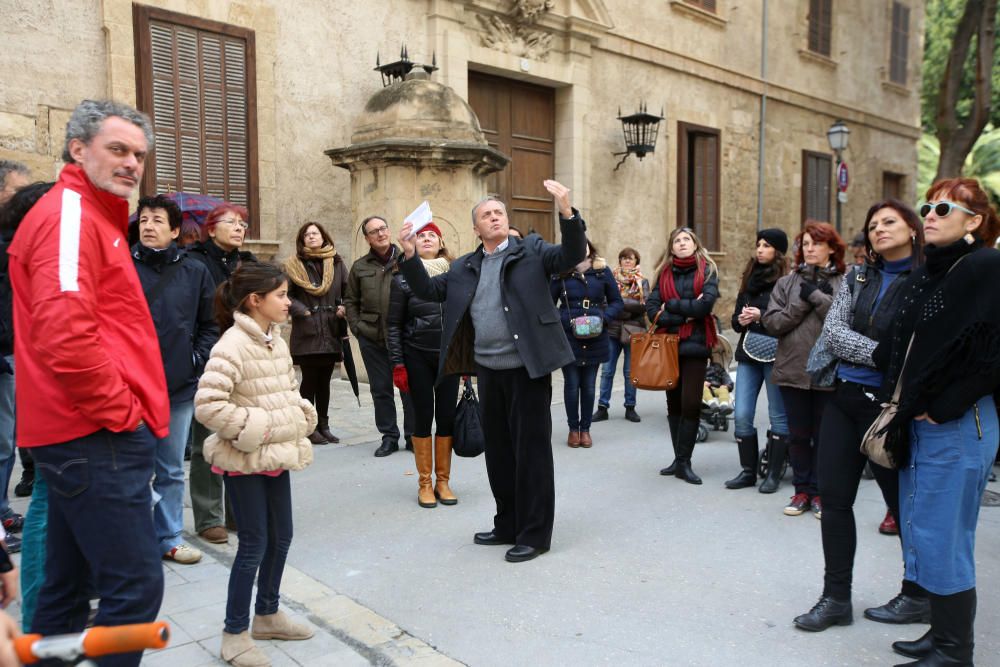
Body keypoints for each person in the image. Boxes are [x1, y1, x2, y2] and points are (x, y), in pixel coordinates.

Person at [6, 99, 170, 666]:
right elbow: (65, 331)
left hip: (81, 430)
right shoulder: (70, 213)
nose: (131, 164)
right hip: (93, 431)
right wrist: (120, 411)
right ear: (78, 149)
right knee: (135, 588)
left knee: (66, 587)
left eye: (139, 155)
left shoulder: (90, 215)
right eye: (118, 149)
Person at [397, 180, 586, 563]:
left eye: (499, 212)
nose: (494, 217)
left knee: (530, 453)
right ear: (476, 229)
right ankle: (507, 524)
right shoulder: (466, 266)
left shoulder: (531, 252)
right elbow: (428, 291)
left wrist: (566, 211)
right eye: (486, 214)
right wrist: (409, 254)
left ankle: (534, 534)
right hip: (487, 370)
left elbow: (571, 254)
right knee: (498, 453)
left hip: (527, 370)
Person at [873, 179, 1000, 665]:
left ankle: (954, 650)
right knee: (922, 527)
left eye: (943, 207)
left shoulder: (986, 266)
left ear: (974, 221)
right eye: (927, 205)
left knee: (945, 534)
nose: (929, 213)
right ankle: (940, 631)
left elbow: (993, 353)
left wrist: (945, 403)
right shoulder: (933, 272)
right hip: (919, 421)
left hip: (958, 421)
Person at [792, 200, 929, 632]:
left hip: (889, 407)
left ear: (912, 228)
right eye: (873, 225)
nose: (879, 230)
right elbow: (833, 332)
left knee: (901, 506)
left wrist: (888, 359)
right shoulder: (858, 276)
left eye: (890, 222)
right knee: (834, 501)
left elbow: (917, 343)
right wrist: (878, 353)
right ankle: (836, 599)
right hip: (844, 396)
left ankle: (917, 593)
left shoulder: (928, 279)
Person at [195, 263, 316, 666]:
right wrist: (255, 428)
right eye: (281, 295)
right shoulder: (231, 344)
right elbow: (208, 405)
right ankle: (234, 633)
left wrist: (300, 413)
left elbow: (286, 387)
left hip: (275, 455)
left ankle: (267, 614)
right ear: (255, 300)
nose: (288, 302)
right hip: (245, 459)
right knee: (253, 544)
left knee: (281, 538)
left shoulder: (275, 339)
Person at [132, 194, 219, 565]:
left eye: (156, 220)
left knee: (169, 469)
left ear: (175, 229)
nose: (148, 226)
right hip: (130, 388)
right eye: (143, 220)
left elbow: (209, 324)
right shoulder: (121, 265)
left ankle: (168, 537)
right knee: (131, 470)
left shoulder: (195, 270)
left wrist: (194, 361)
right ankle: (133, 541)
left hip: (178, 386)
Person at [762, 221, 845, 518]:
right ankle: (801, 492)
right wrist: (803, 299)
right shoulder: (787, 282)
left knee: (824, 437)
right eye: (805, 244)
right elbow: (772, 324)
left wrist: (818, 297)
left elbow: (843, 324)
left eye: (816, 243)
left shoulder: (845, 282)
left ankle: (820, 492)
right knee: (797, 436)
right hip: (793, 370)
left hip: (828, 372)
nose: (809, 249)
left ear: (832, 248)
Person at [187, 203, 258, 544]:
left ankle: (238, 512)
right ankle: (208, 516)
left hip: (246, 359)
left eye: (242, 223)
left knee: (243, 435)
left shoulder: (250, 264)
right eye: (230, 222)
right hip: (211, 357)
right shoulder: (195, 263)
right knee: (208, 439)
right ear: (211, 228)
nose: (239, 227)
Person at [387, 222, 460, 507]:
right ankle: (425, 483)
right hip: (416, 355)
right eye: (422, 236)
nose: (427, 239)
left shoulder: (455, 276)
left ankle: (443, 481)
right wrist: (398, 363)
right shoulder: (403, 279)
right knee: (422, 418)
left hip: (448, 357)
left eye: (432, 235)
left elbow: (464, 319)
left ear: (441, 243)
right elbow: (393, 324)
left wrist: (466, 360)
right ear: (413, 244)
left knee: (446, 417)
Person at [646, 227, 720, 485]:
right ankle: (679, 461)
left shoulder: (707, 270)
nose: (682, 243)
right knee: (673, 403)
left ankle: (684, 461)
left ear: (695, 244)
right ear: (671, 247)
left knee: (690, 403)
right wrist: (687, 312)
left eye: (686, 239)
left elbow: (705, 306)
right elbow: (653, 309)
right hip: (668, 345)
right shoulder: (663, 272)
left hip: (696, 345)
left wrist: (673, 306)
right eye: (677, 240)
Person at [344, 215, 415, 457]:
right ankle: (389, 436)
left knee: (409, 387)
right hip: (371, 338)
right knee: (380, 389)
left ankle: (413, 435)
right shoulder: (360, 266)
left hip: (405, 337)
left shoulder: (407, 259)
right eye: (374, 231)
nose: (380, 234)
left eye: (383, 228)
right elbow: (350, 300)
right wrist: (357, 327)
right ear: (367, 238)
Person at [726, 228, 790, 491]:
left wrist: (760, 316)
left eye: (766, 245)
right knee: (741, 414)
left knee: (778, 415)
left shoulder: (788, 281)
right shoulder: (749, 278)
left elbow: (791, 318)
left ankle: (773, 474)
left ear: (778, 250)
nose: (760, 249)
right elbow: (734, 320)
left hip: (778, 354)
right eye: (758, 244)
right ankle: (748, 471)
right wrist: (740, 321)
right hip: (749, 352)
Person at [551, 241, 623, 447]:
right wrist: (566, 320)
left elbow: (617, 301)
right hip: (569, 336)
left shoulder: (602, 271)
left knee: (590, 386)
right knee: (572, 385)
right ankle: (573, 429)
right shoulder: (561, 272)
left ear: (590, 248)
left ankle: (586, 429)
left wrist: (603, 318)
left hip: (596, 335)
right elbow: (548, 303)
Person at [284, 222, 348, 445]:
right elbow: (286, 296)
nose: (311, 237)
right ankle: (307, 426)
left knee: (325, 382)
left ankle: (324, 425)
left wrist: (344, 308)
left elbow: (349, 291)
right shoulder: (294, 264)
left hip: (330, 329)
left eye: (315, 233)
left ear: (323, 237)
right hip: (308, 330)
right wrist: (303, 311)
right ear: (302, 240)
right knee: (309, 381)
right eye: (307, 235)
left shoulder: (337, 262)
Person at [0, 161, 31, 554]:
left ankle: (3, 511)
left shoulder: (18, 238)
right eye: (17, 191)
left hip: (11, 355)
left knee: (6, 444)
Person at [593, 247, 648, 424]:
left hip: (633, 330)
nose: (627, 261)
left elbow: (643, 305)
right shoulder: (611, 279)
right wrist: (626, 308)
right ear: (620, 261)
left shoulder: (643, 282)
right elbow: (603, 302)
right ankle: (602, 408)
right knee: (607, 370)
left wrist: (618, 306)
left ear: (636, 262)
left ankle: (630, 407)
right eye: (624, 258)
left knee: (630, 372)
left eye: (631, 258)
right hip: (612, 330)